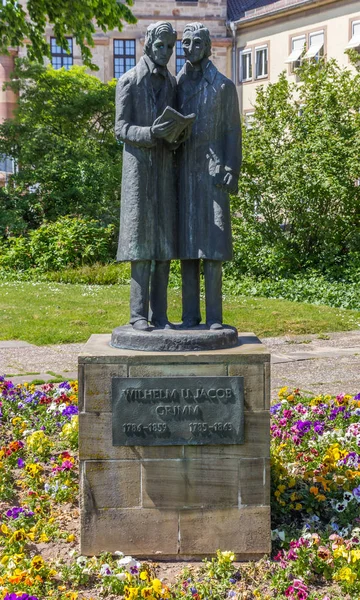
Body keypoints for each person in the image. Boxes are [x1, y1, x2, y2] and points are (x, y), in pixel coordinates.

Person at [177, 23, 241, 330]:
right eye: (185, 43)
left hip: (214, 171)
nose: (188, 48)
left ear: (207, 46)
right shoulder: (177, 84)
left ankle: (215, 317)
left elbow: (232, 131)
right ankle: (190, 316)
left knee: (213, 247)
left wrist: (231, 167)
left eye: (195, 43)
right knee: (188, 248)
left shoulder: (223, 86)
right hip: (184, 173)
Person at [115, 22, 178, 331]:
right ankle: (138, 314)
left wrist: (178, 134)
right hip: (139, 172)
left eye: (169, 47)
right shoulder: (129, 81)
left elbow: (174, 125)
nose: (165, 52)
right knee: (141, 248)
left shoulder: (172, 83)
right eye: (160, 46)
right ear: (148, 45)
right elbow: (120, 128)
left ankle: (161, 315)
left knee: (164, 248)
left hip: (165, 171)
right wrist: (150, 132)